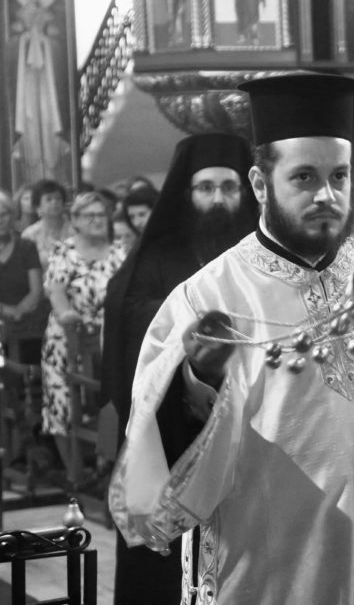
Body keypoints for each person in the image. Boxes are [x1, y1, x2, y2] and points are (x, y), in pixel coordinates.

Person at [109, 73, 354, 603]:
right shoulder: (207, 294)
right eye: (305, 177)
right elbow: (152, 442)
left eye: (339, 176)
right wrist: (199, 378)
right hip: (263, 558)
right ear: (261, 184)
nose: (326, 195)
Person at [102, 133, 257, 605]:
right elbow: (129, 320)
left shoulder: (259, 258)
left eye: (228, 187)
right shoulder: (157, 256)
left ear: (246, 190)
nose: (218, 199)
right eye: (206, 187)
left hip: (250, 437)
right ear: (187, 193)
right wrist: (185, 330)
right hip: (171, 436)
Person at [40, 192, 125, 471]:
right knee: (62, 404)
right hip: (67, 339)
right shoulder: (64, 251)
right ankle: (73, 472)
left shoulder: (119, 252)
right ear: (75, 220)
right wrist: (67, 315)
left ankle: (107, 467)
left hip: (110, 341)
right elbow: (56, 292)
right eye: (90, 216)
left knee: (116, 400)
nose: (97, 220)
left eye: (101, 215)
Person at [12, 0, 68, 185]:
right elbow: (11, 45)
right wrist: (23, 41)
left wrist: (46, 41)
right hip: (27, 74)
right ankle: (30, 175)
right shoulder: (19, 15)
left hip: (45, 75)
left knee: (46, 113)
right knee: (29, 114)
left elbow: (57, 42)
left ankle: (53, 171)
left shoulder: (48, 15)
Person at [0, 191, 46, 365]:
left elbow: (36, 291)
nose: (0, 220)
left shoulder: (26, 246)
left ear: (12, 215)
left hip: (29, 319)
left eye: (4, 214)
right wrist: (5, 311)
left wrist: (18, 311)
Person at [21, 179, 72, 270]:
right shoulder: (29, 235)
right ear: (37, 206)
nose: (54, 202)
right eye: (49, 199)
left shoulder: (76, 230)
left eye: (58, 198)